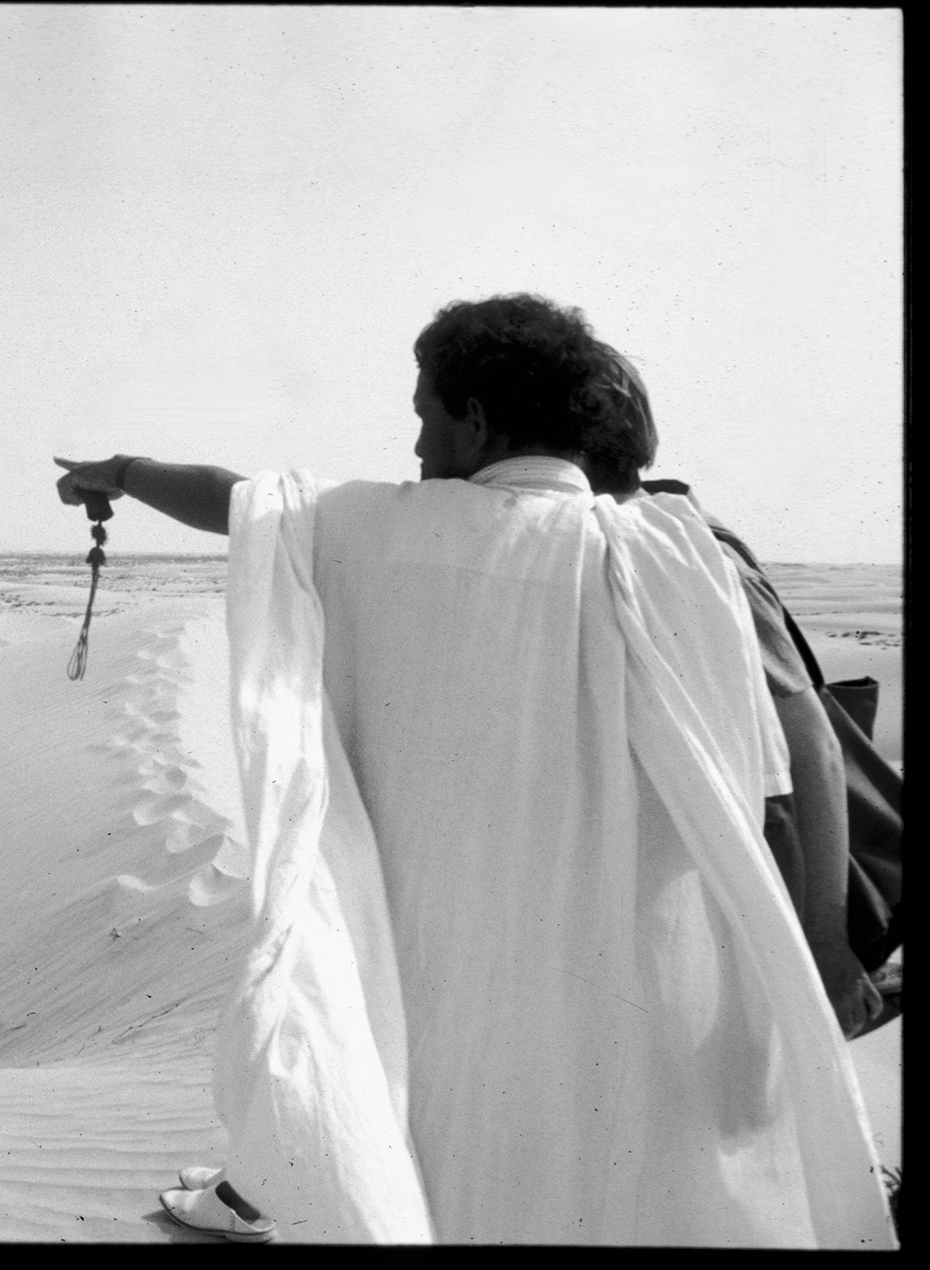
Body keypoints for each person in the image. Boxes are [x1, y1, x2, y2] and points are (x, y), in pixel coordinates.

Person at [55, 294, 893, 1246]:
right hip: (649, 974)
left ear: (477, 421)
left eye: (425, 416)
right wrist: (823, 947)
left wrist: (121, 474)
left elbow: (236, 499)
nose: (417, 445)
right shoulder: (679, 555)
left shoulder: (392, 531)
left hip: (456, 984)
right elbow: (802, 751)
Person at [569, 364, 885, 1040]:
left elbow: (813, 747)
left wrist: (825, 943)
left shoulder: (689, 555)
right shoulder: (625, 539)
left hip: (768, 896)